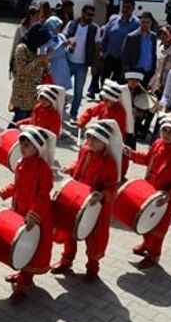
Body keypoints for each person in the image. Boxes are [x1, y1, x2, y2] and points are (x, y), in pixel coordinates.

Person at [51, 120, 121, 282]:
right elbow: (79, 164)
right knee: (70, 231)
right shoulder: (85, 150)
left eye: (95, 140)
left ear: (105, 142)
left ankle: (92, 268)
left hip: (95, 205)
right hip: (77, 198)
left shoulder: (109, 162)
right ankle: (66, 261)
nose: (90, 142)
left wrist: (102, 195)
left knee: (93, 239)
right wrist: (71, 168)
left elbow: (112, 187)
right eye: (89, 138)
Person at [0, 126, 56, 304]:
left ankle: (24, 283)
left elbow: (43, 194)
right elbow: (17, 185)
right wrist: (5, 192)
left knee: (30, 246)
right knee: (20, 245)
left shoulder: (43, 168)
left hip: (35, 216)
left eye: (27, 145)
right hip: (20, 211)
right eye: (21, 143)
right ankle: (22, 273)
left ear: (37, 148)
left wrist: (33, 213)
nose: (22, 148)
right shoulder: (20, 164)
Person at [124, 113, 171, 268]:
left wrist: (170, 195)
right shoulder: (157, 143)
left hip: (164, 197)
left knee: (158, 228)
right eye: (164, 130)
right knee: (146, 220)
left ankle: (154, 255)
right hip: (150, 191)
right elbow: (148, 159)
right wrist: (132, 155)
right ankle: (146, 244)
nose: (166, 135)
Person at [10, 25, 50, 124]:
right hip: (22, 95)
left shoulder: (34, 49)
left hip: (32, 95)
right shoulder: (21, 48)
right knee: (18, 122)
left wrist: (45, 63)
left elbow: (41, 70)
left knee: (27, 123)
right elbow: (22, 70)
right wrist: (38, 60)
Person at [65, 5, 99, 120]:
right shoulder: (71, 24)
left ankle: (73, 114)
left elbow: (97, 47)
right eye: (89, 14)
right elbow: (63, 38)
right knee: (61, 88)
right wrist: (68, 46)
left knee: (78, 92)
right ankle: (57, 111)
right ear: (83, 13)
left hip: (82, 65)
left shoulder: (94, 28)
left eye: (92, 15)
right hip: (68, 62)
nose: (91, 17)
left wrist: (95, 65)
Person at [100, 0, 140, 84]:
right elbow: (106, 36)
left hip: (123, 61)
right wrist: (102, 52)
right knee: (104, 82)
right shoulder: (114, 20)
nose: (125, 9)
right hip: (109, 57)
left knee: (117, 85)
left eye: (128, 7)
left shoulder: (136, 24)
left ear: (133, 9)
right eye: (124, 7)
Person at [122, 11, 158, 85]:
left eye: (148, 22)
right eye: (143, 22)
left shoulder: (153, 37)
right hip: (135, 71)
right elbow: (125, 55)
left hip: (148, 71)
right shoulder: (131, 37)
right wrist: (127, 71)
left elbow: (154, 53)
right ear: (140, 22)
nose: (145, 24)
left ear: (151, 23)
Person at [42, 16, 72, 91]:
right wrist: (61, 46)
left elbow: (65, 51)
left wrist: (71, 47)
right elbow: (47, 55)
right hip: (53, 71)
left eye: (59, 27)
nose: (59, 29)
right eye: (57, 27)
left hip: (63, 70)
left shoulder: (61, 36)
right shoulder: (45, 39)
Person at [148, 25, 171, 95]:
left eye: (165, 34)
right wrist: (151, 83)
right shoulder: (160, 48)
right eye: (161, 34)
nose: (162, 36)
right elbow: (158, 69)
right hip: (158, 85)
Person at [10, 7, 40, 77]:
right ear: (31, 16)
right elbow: (15, 44)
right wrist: (12, 61)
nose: (38, 18)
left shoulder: (38, 28)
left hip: (32, 59)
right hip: (21, 57)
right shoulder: (21, 28)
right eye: (36, 16)